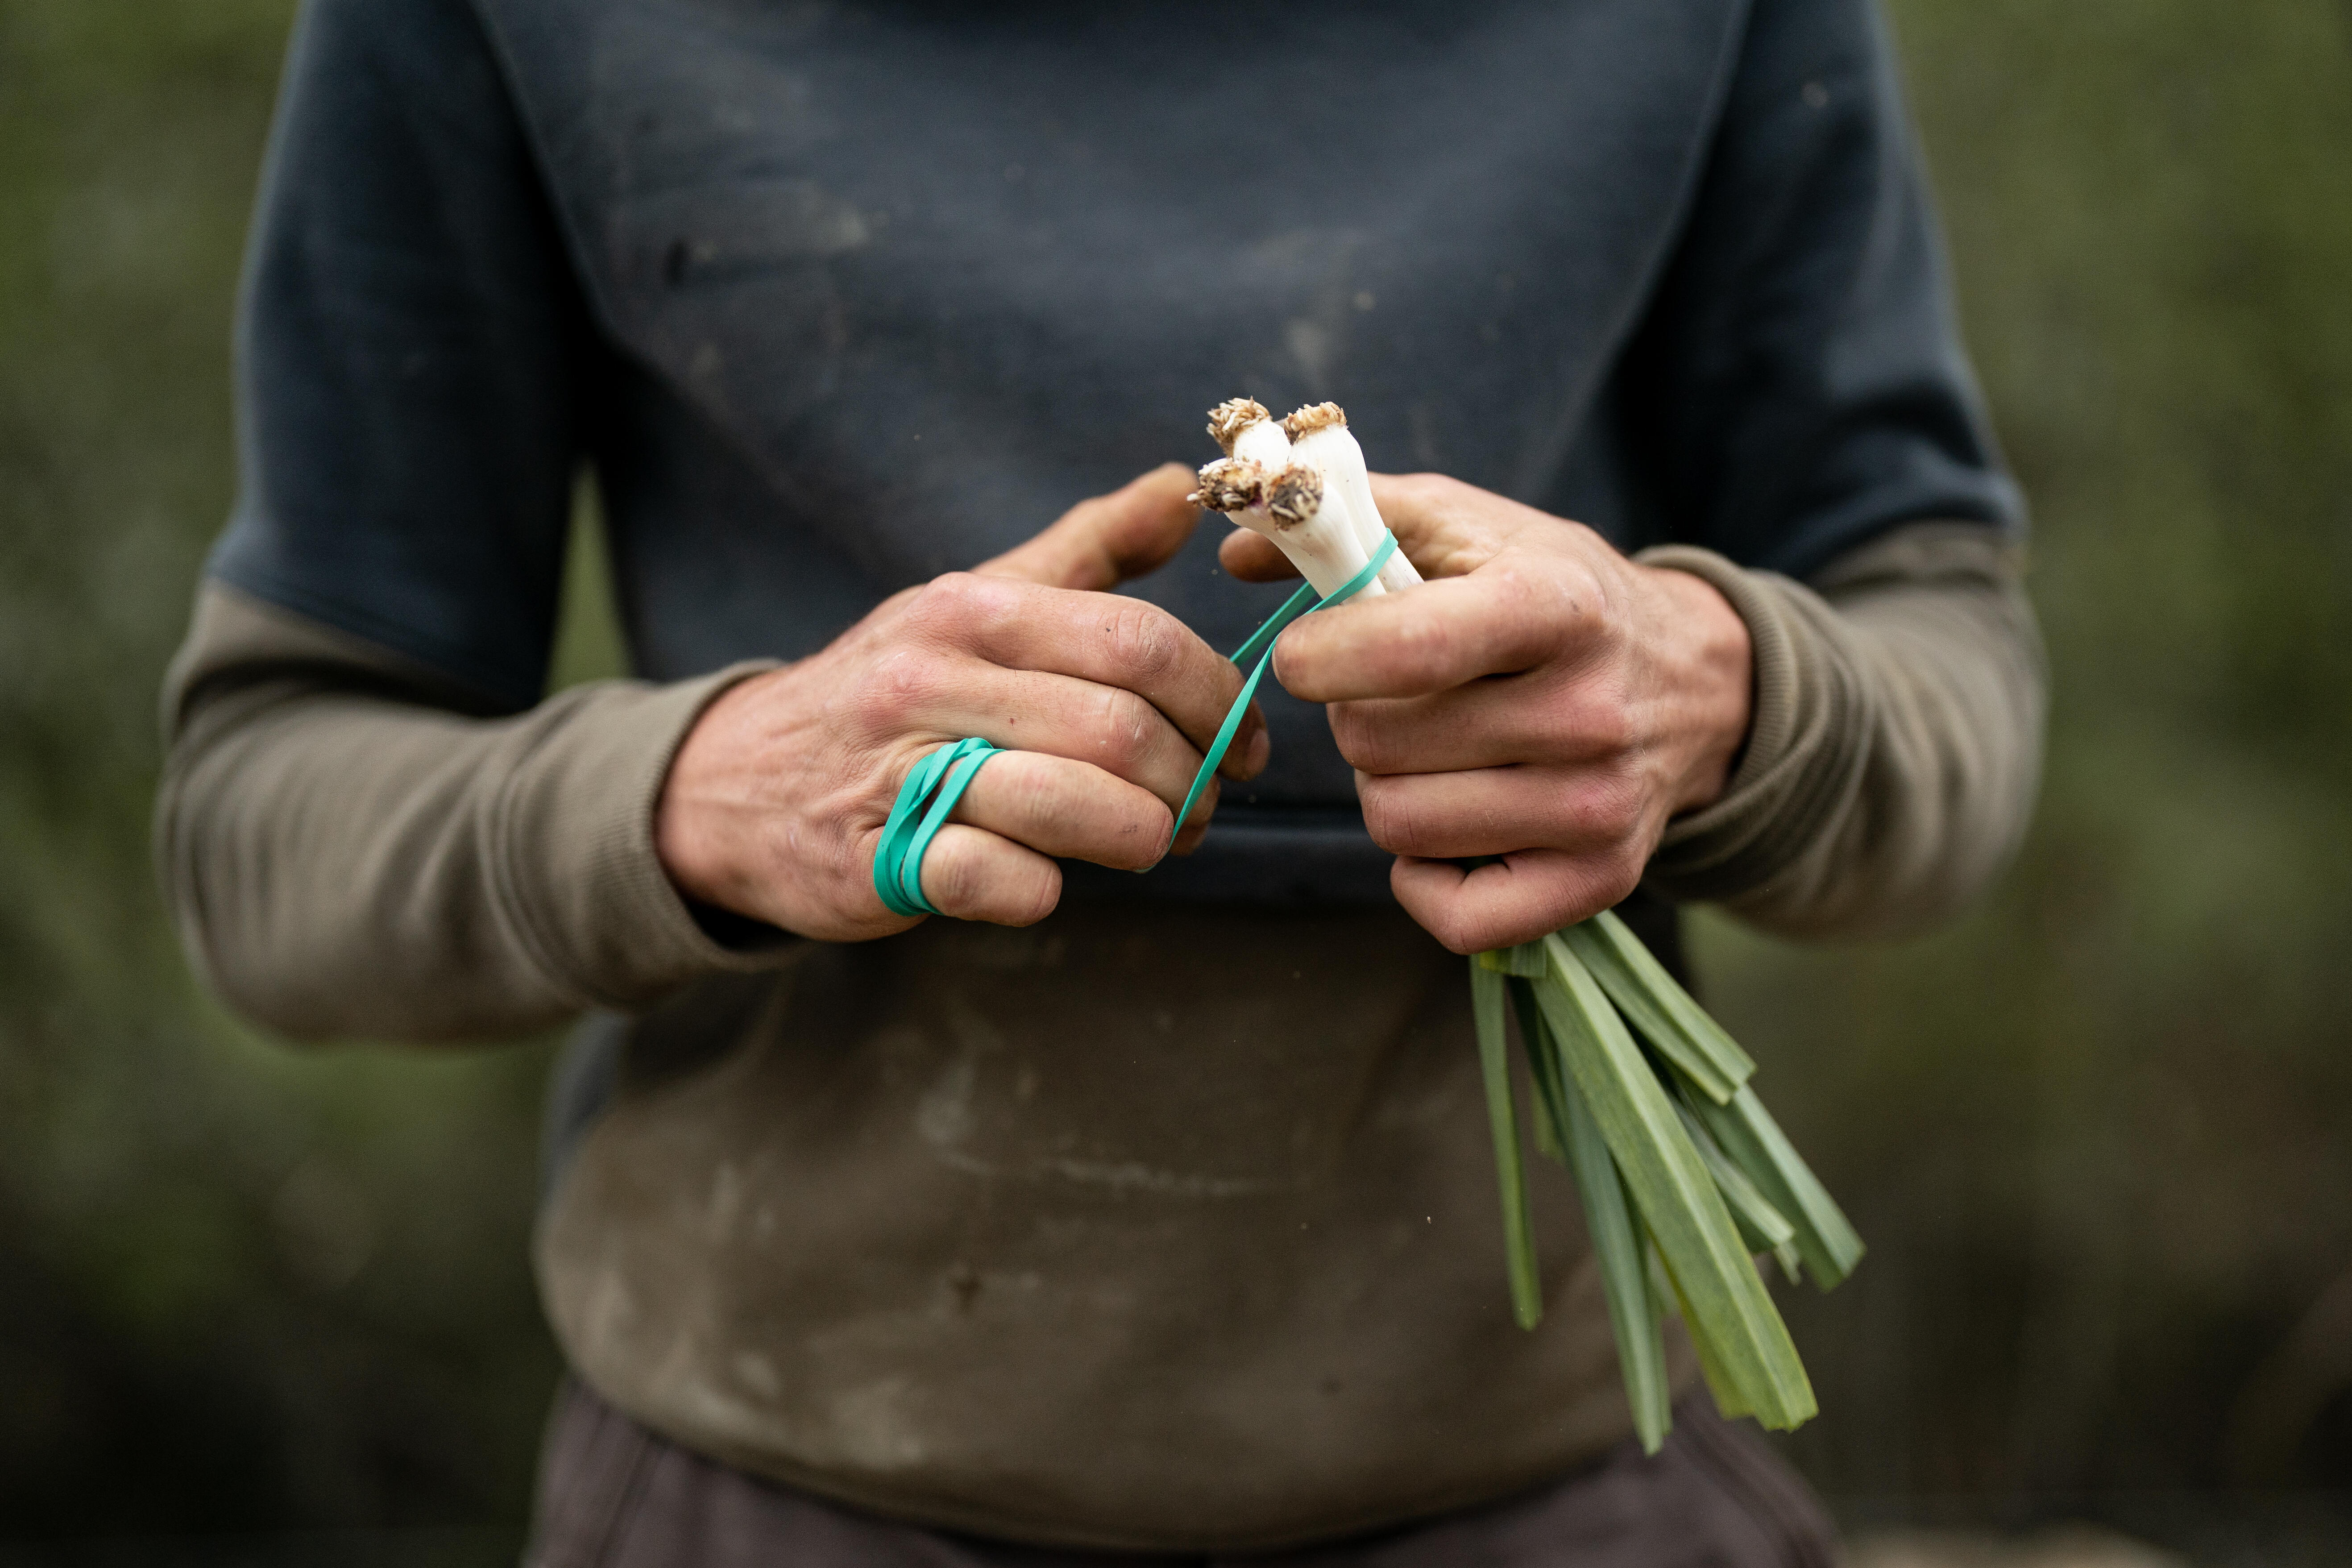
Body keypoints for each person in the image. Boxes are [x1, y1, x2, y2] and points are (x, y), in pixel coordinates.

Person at [157, 0, 2044, 1561]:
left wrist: (1727, 693)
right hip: (769, 1496)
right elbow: (262, 828)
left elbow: (1943, 659)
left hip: (1570, 1486)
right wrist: (706, 794)